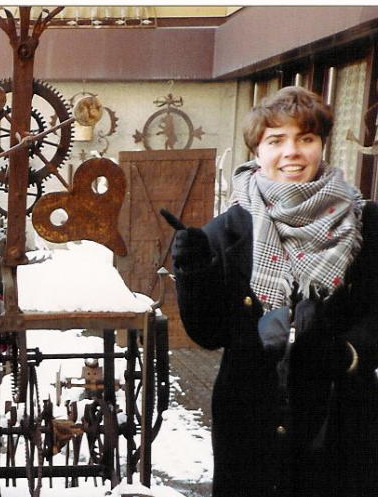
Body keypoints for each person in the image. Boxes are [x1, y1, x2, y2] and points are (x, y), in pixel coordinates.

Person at [164, 86, 378, 496]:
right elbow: (207, 334)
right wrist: (192, 271)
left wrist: (345, 350)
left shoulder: (367, 222)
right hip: (251, 418)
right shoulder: (228, 230)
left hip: (342, 419)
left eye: (306, 138)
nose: (292, 152)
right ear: (257, 150)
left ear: (321, 145)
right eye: (276, 140)